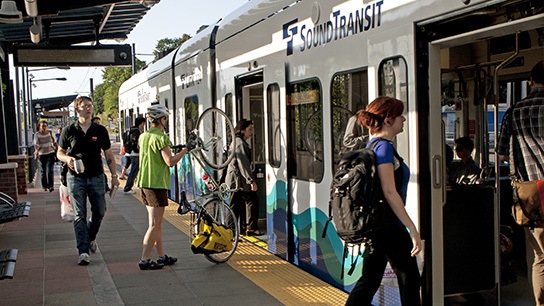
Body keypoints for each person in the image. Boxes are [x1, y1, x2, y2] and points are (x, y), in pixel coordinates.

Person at [345, 96, 422, 306]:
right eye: (399, 116)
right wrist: (412, 229)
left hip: (377, 226)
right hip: (389, 227)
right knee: (410, 279)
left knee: (369, 280)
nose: (404, 119)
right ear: (388, 120)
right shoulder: (384, 148)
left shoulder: (373, 145)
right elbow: (390, 192)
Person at [496, 60, 544, 305]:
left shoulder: (514, 111)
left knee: (539, 256)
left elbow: (502, 154)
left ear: (532, 82)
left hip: (531, 193)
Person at [57, 96, 120, 266]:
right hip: (75, 177)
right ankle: (83, 251)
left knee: (99, 211)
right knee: (80, 214)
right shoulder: (69, 130)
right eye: (84, 106)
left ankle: (90, 237)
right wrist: (68, 159)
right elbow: (59, 152)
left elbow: (108, 155)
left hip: (97, 176)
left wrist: (114, 177)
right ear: (77, 109)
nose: (88, 109)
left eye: (90, 106)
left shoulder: (100, 130)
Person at [136, 104, 188, 270]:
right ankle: (144, 259)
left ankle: (161, 256)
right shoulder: (161, 137)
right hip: (157, 184)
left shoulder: (143, 136)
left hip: (144, 182)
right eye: (165, 118)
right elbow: (170, 161)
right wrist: (185, 151)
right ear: (161, 119)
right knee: (153, 224)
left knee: (156, 223)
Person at [225, 119, 261, 236]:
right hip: (237, 182)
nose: (251, 133)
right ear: (242, 130)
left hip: (238, 181)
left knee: (238, 206)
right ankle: (233, 232)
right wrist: (251, 181)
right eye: (249, 130)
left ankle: (237, 231)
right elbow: (243, 163)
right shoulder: (240, 143)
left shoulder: (239, 142)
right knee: (239, 206)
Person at [123, 117, 146, 194]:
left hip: (131, 153)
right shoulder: (136, 131)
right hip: (135, 153)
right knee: (134, 171)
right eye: (143, 123)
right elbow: (137, 143)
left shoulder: (131, 130)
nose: (144, 125)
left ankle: (134, 185)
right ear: (141, 123)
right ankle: (127, 188)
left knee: (135, 170)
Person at [33, 119, 57, 192]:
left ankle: (51, 186)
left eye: (45, 126)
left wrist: (57, 150)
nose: (44, 127)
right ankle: (44, 186)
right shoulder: (37, 134)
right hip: (42, 154)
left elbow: (55, 142)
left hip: (50, 153)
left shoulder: (50, 132)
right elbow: (36, 144)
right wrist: (36, 151)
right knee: (43, 170)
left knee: (50, 170)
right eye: (42, 126)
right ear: (39, 126)